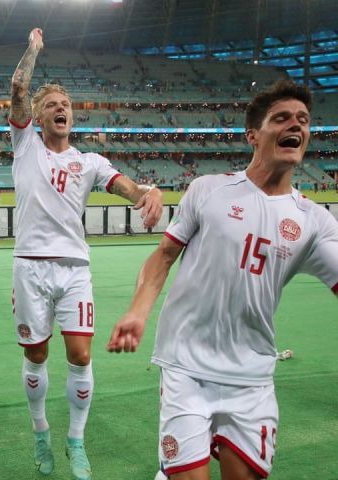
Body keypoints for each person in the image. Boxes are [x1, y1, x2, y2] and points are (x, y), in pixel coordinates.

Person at [107, 79, 338, 480]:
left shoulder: (314, 221)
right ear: (253, 134)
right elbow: (164, 256)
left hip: (252, 378)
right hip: (186, 366)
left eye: (303, 120)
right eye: (281, 118)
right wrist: (138, 312)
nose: (295, 126)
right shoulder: (208, 190)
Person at [9, 29, 163, 479]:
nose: (61, 109)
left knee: (80, 357)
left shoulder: (89, 161)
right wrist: (33, 49)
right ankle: (41, 431)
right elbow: (18, 89)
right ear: (37, 116)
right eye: (52, 105)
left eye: (66, 105)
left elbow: (125, 186)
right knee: (36, 356)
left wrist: (145, 193)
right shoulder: (25, 145)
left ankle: (75, 439)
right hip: (29, 267)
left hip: (74, 268)